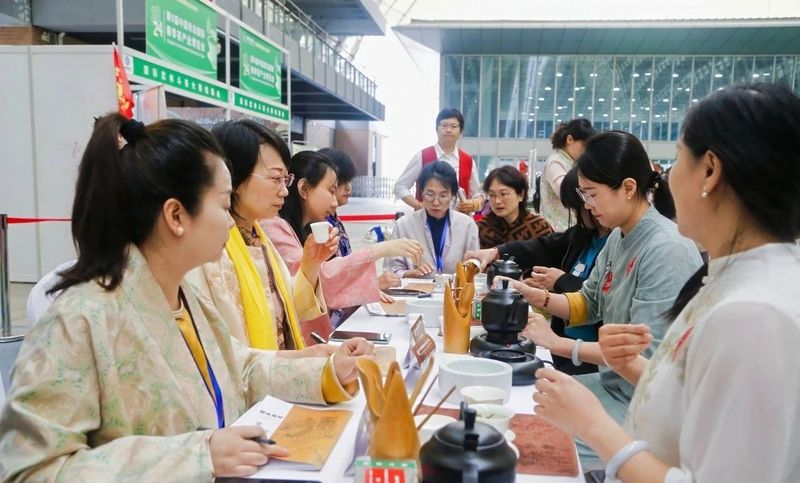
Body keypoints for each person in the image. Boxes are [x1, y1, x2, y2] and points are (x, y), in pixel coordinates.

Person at [0, 114, 371, 481]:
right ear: (176, 215)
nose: (231, 222)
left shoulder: (184, 297)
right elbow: (31, 471)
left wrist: (326, 373)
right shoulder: (77, 322)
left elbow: (239, 369)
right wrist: (198, 456)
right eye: (223, 205)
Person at [531, 84, 800, 482]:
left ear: (710, 171)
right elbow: (689, 394)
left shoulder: (755, 313)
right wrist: (627, 362)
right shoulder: (737, 278)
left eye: (677, 159)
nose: (665, 179)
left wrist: (592, 425)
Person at [500, 130, 702, 469]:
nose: (588, 206)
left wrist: (559, 344)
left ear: (628, 188)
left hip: (640, 404)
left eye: (591, 194)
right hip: (610, 385)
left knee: (531, 443)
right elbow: (589, 302)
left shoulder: (666, 250)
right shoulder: (618, 238)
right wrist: (539, 297)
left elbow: (644, 359)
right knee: (522, 403)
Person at [189, 119, 336, 351]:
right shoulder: (211, 251)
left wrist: (310, 265)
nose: (284, 190)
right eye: (275, 179)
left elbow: (283, 313)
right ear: (233, 177)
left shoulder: (259, 236)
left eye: (285, 179)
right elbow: (225, 351)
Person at [466, 167, 610, 375]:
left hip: (591, 354)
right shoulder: (582, 235)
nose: (586, 209)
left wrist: (561, 281)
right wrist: (497, 252)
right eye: (492, 195)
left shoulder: (617, 243)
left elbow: (599, 298)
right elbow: (541, 247)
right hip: (564, 343)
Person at [262, 150, 422, 318]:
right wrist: (379, 251)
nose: (334, 202)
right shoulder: (274, 227)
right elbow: (318, 282)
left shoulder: (310, 227)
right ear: (304, 188)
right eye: (332, 190)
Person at [320, 148, 407, 307]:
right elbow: (328, 283)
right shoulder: (320, 226)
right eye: (339, 183)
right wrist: (372, 285)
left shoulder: (334, 219)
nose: (348, 187)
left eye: (349, 181)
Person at [386, 161, 479, 278]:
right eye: (430, 194)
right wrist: (411, 273)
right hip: (415, 288)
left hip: (456, 288)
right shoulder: (403, 225)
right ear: (421, 192)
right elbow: (391, 270)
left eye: (443, 196)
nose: (435, 202)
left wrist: (466, 270)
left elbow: (475, 261)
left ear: (452, 195)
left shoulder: (467, 225)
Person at [393, 108, 484, 213]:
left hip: (459, 220)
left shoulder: (467, 160)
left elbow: (478, 194)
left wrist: (474, 204)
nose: (448, 130)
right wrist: (419, 206)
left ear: (461, 132)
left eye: (453, 126)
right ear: (436, 129)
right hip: (426, 220)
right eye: (444, 125)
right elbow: (400, 186)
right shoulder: (423, 156)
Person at [539, 119, 596, 232]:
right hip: (556, 229)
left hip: (567, 227)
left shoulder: (571, 162)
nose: (586, 151)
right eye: (584, 145)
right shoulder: (555, 161)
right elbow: (565, 192)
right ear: (569, 139)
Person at [476, 165, 552, 249]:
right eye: (492, 195)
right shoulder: (480, 228)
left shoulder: (539, 226)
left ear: (521, 195)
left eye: (503, 194)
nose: (497, 201)